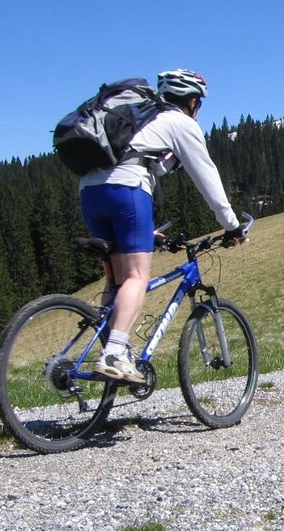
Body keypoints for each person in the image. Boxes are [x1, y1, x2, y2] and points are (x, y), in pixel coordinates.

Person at [78, 68, 246, 383]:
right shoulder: (179, 122)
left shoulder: (142, 121)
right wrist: (232, 225)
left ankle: (111, 351)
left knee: (116, 282)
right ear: (193, 102)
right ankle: (114, 354)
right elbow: (207, 178)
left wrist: (145, 232)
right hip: (127, 190)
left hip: (89, 192)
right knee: (137, 276)